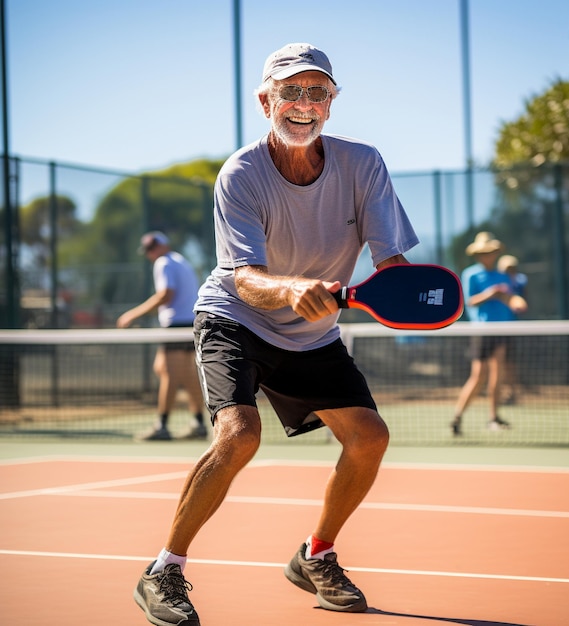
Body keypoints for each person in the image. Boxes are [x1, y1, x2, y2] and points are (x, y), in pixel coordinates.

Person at [133, 42, 419, 625]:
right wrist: (290, 289)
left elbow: (391, 263)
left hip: (312, 332)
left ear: (332, 103)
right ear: (266, 100)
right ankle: (164, 569)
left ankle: (316, 555)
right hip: (237, 316)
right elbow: (244, 278)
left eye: (318, 92)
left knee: (369, 438)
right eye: (291, 92)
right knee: (239, 434)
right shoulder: (241, 173)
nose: (304, 104)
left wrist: (403, 292)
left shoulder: (364, 164)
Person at [117, 231, 208, 441]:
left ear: (162, 246)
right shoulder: (181, 261)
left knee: (168, 372)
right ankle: (199, 423)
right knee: (177, 372)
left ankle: (162, 426)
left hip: (176, 325)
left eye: (152, 248)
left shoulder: (164, 263)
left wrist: (133, 314)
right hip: (188, 324)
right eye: (148, 250)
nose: (150, 254)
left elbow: (166, 294)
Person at [451, 232, 527, 436]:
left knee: (497, 375)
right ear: (477, 255)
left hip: (503, 329)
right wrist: (491, 294)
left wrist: (516, 302)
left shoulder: (503, 277)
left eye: (491, 252)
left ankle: (493, 418)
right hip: (482, 330)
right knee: (478, 376)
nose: (487, 255)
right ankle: (457, 417)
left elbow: (510, 299)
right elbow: (470, 301)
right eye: (483, 252)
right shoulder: (471, 274)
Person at [497, 254, 529, 404]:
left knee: (509, 362)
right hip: (495, 328)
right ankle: (503, 392)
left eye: (511, 268)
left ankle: (511, 392)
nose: (509, 271)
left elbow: (520, 301)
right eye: (506, 269)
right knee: (498, 364)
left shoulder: (519, 281)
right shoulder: (498, 280)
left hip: (511, 327)